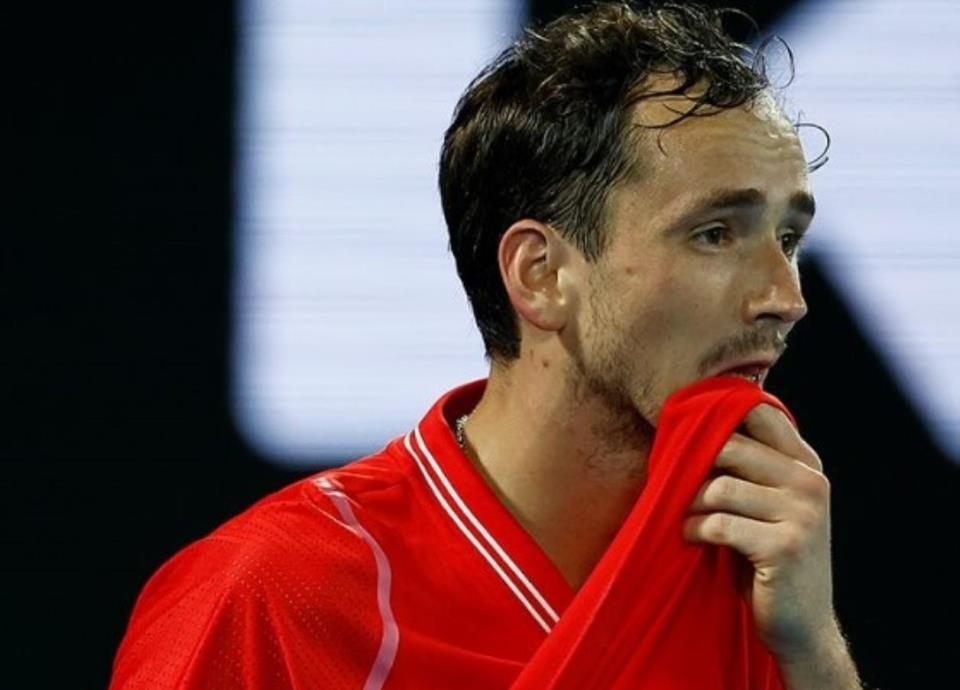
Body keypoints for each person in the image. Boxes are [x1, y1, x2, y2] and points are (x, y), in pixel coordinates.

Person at [109, 2, 863, 689]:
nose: (785, 298)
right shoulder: (271, 593)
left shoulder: (764, 593)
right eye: (715, 234)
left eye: (788, 238)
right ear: (541, 276)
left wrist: (815, 657)